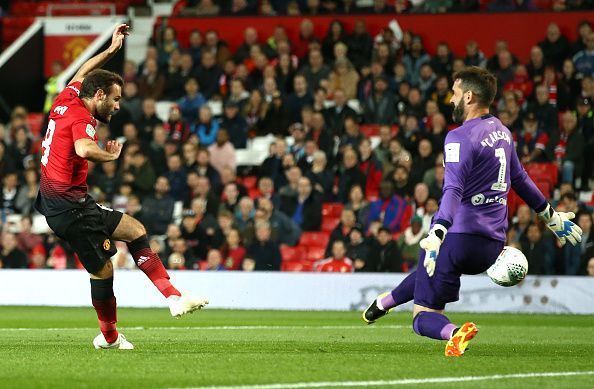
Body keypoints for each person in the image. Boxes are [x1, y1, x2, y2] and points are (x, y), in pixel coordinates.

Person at [362, 67, 582, 357]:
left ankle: (454, 333)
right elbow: (521, 179)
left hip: (457, 238)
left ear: (468, 96)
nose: (451, 101)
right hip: (491, 246)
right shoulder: (503, 132)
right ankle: (384, 302)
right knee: (426, 275)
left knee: (421, 317)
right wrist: (551, 218)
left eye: (454, 94)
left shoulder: (459, 138)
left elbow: (452, 190)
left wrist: (438, 231)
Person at [33, 24, 207, 350]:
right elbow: (85, 149)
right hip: (70, 209)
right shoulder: (82, 119)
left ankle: (172, 298)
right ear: (98, 96)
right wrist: (109, 156)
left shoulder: (68, 96)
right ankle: (113, 336)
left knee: (133, 231)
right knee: (103, 270)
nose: (116, 105)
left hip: (58, 202)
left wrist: (112, 51)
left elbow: (83, 71)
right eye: (114, 99)